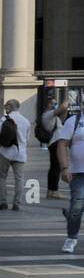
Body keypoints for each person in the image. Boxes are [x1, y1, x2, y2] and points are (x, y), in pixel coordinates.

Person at [53, 105, 84, 253]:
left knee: (76, 208)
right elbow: (62, 144)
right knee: (76, 207)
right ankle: (71, 238)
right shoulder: (74, 120)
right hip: (79, 172)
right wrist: (65, 167)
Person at [0, 99, 32, 211]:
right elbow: (27, 139)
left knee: (2, 176)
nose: (5, 108)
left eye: (6, 106)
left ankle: (3, 202)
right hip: (20, 154)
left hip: (5, 153)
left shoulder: (4, 119)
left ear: (9, 107)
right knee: (19, 178)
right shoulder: (26, 121)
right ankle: (17, 203)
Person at [42, 101, 69, 199]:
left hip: (55, 142)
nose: (54, 104)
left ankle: (51, 190)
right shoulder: (47, 114)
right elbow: (62, 108)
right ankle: (54, 191)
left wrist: (65, 109)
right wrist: (66, 103)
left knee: (54, 167)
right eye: (52, 103)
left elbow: (62, 117)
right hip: (55, 142)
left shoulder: (53, 117)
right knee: (56, 167)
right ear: (47, 105)